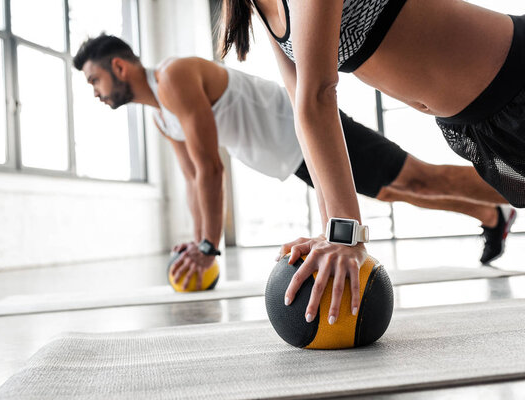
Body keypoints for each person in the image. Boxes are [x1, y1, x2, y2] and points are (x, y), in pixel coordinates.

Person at [73, 34, 515, 293]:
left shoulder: (172, 77)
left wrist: (210, 247)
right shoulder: (160, 116)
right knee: (398, 191)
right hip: (296, 154)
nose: (95, 90)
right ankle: (492, 213)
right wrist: (197, 241)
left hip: (309, 129)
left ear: (118, 66)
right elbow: (191, 179)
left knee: (418, 178)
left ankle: (516, 187)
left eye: (94, 79)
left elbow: (211, 169)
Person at [220, 0, 525, 324]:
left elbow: (319, 94)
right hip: (481, 120)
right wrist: (331, 233)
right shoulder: (262, 7)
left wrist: (346, 234)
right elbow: (303, 110)